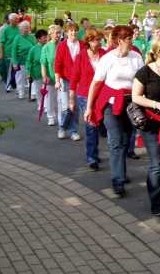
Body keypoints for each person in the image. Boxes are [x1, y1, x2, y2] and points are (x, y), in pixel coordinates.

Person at [85, 25, 144, 197]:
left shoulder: (136, 57)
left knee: (125, 141)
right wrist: (89, 107)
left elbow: (141, 81)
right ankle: (117, 180)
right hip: (111, 104)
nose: (131, 41)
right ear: (119, 40)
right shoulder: (108, 59)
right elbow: (96, 83)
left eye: (132, 38)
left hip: (130, 105)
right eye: (128, 38)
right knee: (116, 142)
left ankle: (122, 173)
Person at [132, 34, 160, 215]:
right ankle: (157, 201)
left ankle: (159, 189)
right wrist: (157, 104)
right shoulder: (145, 72)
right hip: (152, 124)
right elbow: (135, 96)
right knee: (157, 164)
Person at [69, 28, 106, 170]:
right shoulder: (81, 56)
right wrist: (71, 100)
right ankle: (91, 157)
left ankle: (94, 152)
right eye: (95, 40)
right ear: (88, 41)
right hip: (85, 95)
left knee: (98, 126)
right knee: (91, 125)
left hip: (101, 95)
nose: (98, 43)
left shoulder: (104, 54)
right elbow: (74, 79)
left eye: (99, 40)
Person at [54, 23, 84, 141]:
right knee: (66, 106)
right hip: (65, 80)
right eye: (71, 31)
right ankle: (62, 127)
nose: (73, 33)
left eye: (75, 30)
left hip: (78, 81)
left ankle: (73, 130)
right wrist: (57, 80)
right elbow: (57, 64)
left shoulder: (82, 45)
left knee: (74, 107)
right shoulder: (62, 46)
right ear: (66, 32)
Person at [40, 25, 62, 127]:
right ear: (51, 34)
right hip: (50, 76)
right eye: (56, 33)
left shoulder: (63, 45)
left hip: (62, 77)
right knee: (50, 99)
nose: (58, 35)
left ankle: (61, 118)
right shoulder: (46, 47)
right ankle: (51, 117)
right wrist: (45, 76)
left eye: (59, 33)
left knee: (61, 99)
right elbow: (43, 63)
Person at [11, 21, 36, 100]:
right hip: (20, 61)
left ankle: (33, 94)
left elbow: (35, 47)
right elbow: (14, 51)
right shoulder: (17, 38)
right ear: (21, 29)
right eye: (25, 28)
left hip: (31, 61)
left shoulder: (32, 37)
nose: (26, 29)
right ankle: (21, 92)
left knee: (32, 78)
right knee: (20, 78)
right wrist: (14, 63)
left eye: (28, 28)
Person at [26, 29, 48, 108]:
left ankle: (46, 105)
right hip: (37, 74)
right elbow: (29, 61)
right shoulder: (33, 49)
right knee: (39, 91)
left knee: (47, 90)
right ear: (39, 39)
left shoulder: (48, 47)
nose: (46, 39)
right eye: (44, 37)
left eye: (46, 37)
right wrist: (28, 72)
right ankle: (40, 104)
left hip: (47, 74)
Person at [0, 13, 20, 92]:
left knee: (17, 70)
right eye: (16, 19)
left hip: (17, 53)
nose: (17, 21)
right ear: (11, 20)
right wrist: (1, 53)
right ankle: (7, 85)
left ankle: (15, 84)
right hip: (8, 52)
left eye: (18, 19)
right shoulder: (6, 29)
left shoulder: (19, 28)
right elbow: (2, 42)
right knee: (8, 70)